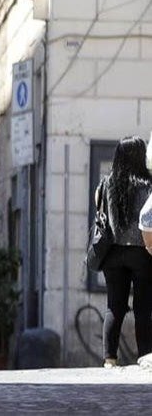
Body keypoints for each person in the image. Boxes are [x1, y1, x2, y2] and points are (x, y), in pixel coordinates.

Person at [97, 136, 152, 367]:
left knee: (114, 306)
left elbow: (99, 212)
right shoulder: (147, 184)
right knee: (144, 308)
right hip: (142, 252)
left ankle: (109, 359)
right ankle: (145, 356)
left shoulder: (108, 183)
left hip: (112, 253)